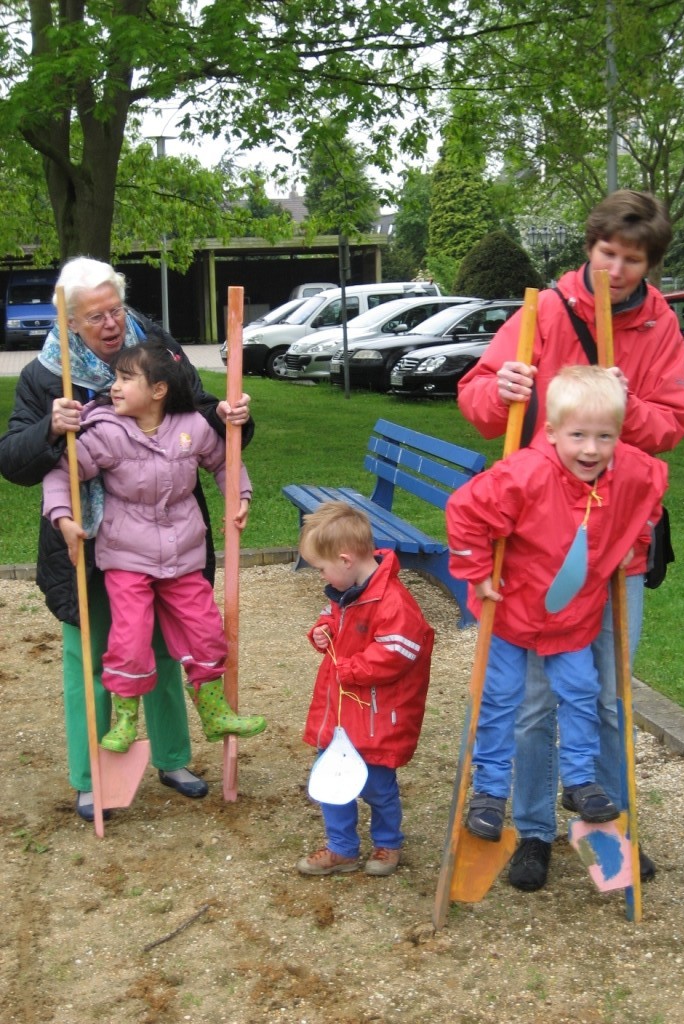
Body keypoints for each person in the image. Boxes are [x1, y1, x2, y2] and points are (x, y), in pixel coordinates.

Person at [457, 190, 684, 890]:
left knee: (609, 697)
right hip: (535, 547)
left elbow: (671, 428)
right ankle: (532, 829)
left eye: (631, 259)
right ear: (590, 245)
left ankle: (606, 831)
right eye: (606, 252)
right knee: (530, 703)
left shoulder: (659, 326)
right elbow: (476, 405)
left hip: (617, 541)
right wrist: (504, 388)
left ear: (649, 264)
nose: (615, 269)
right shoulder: (544, 312)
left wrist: (630, 405)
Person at [0, 256, 255, 821]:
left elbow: (201, 421)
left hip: (167, 538)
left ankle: (172, 758)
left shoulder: (156, 347)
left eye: (114, 310)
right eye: (95, 318)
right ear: (69, 323)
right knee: (92, 655)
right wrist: (50, 427)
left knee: (165, 647)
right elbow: (15, 461)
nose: (111, 324)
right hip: (88, 542)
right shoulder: (47, 375)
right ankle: (94, 776)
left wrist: (231, 414)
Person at [447, 366, 667, 834]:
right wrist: (477, 571)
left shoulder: (628, 471)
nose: (591, 449)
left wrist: (636, 541)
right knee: (502, 699)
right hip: (511, 613)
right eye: (579, 436)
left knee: (583, 693)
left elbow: (650, 495)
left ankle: (581, 781)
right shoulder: (523, 474)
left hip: (572, 621)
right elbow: (464, 511)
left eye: (605, 436)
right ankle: (489, 791)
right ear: (550, 432)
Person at [42, 340, 266, 753]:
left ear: (159, 390)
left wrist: (240, 497)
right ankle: (127, 718)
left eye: (128, 379)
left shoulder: (192, 427)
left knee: (206, 630)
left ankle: (214, 710)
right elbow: (62, 474)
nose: (116, 386)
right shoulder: (106, 433)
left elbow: (224, 462)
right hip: (127, 555)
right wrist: (63, 518)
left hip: (183, 552)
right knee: (130, 636)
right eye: (116, 377)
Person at [295, 501, 434, 877]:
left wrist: (352, 669)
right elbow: (330, 617)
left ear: (344, 559)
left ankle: (388, 843)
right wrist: (321, 631)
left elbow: (398, 651)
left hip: (376, 716)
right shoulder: (345, 590)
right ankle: (342, 848)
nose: (320, 576)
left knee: (377, 785)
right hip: (341, 712)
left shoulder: (394, 602)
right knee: (331, 780)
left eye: (321, 568)